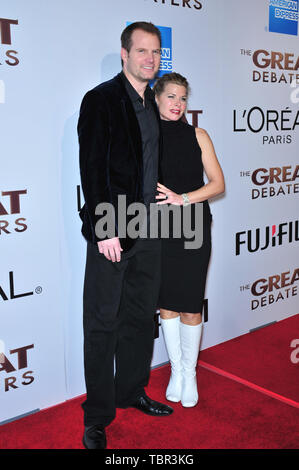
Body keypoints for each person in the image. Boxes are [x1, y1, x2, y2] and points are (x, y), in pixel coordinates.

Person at [77, 22, 173, 450]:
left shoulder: (153, 103)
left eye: (155, 52)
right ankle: (96, 418)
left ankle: (132, 390)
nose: (150, 59)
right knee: (102, 324)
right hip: (114, 228)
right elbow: (92, 170)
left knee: (138, 318)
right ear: (124, 53)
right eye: (141, 52)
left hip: (150, 226)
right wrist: (104, 229)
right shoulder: (100, 101)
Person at [153, 73, 225, 408]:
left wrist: (182, 198)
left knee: (191, 305)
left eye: (182, 98)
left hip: (193, 226)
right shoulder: (146, 136)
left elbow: (217, 184)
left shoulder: (199, 135)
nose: (177, 104)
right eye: (170, 97)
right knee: (166, 304)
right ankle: (177, 371)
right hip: (157, 228)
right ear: (156, 98)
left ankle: (191, 372)